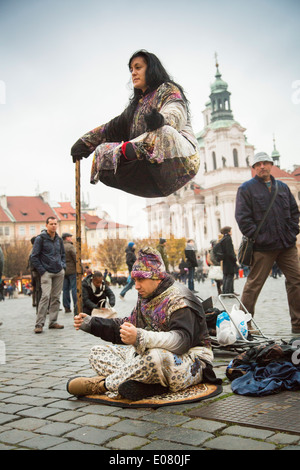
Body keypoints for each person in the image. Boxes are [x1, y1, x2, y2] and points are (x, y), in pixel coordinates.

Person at [67, 247, 218, 401]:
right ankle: (150, 384)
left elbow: (181, 342)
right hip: (148, 354)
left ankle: (103, 385)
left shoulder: (180, 299)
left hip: (189, 359)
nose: (136, 286)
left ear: (156, 278)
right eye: (135, 280)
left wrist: (140, 337)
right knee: (96, 353)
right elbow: (126, 325)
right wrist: (92, 324)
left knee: (155, 358)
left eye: (141, 280)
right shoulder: (146, 297)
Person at [70, 50, 199, 199]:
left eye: (138, 68)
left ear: (150, 69)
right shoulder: (134, 109)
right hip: (152, 174)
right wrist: (84, 143)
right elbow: (109, 129)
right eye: (131, 69)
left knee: (164, 132)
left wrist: (160, 119)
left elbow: (176, 110)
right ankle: (130, 152)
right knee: (102, 151)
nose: (133, 73)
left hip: (181, 160)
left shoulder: (168, 90)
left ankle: (132, 150)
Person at [235, 151, 300, 334]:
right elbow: (242, 218)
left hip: (286, 245)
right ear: (254, 168)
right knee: (253, 286)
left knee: (297, 281)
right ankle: (244, 325)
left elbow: (294, 212)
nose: (262, 166)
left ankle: (298, 324)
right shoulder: (246, 189)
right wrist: (258, 236)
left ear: (271, 165)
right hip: (263, 246)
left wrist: (292, 231)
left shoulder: (283, 187)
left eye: (265, 163)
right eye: (258, 164)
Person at [30, 217, 65, 333]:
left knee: (56, 297)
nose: (53, 226)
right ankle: (39, 324)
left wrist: (62, 265)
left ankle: (53, 322)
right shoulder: (40, 239)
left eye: (55, 224)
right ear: (46, 225)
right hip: (46, 272)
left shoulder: (59, 239)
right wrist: (42, 271)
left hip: (58, 272)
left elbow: (63, 254)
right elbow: (34, 256)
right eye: (51, 224)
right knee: (45, 297)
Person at [219, 226, 237, 296]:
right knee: (230, 276)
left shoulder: (223, 239)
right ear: (228, 231)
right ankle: (229, 292)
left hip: (225, 260)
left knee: (226, 276)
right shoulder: (228, 238)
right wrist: (234, 258)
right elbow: (230, 251)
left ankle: (226, 291)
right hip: (229, 260)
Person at [62, 233, 77, 314]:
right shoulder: (70, 246)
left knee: (65, 290)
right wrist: (80, 269)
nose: (71, 238)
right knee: (74, 289)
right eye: (70, 237)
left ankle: (66, 306)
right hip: (72, 270)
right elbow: (76, 258)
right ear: (67, 238)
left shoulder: (60, 246)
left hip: (63, 271)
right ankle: (76, 305)